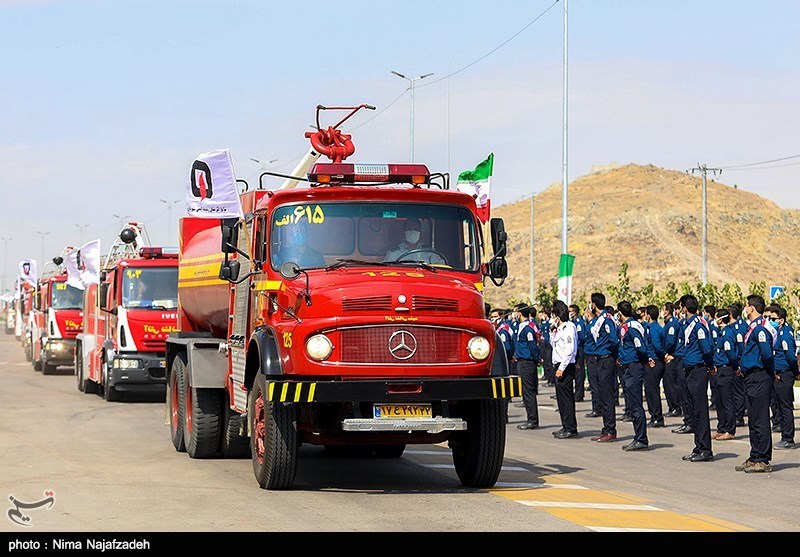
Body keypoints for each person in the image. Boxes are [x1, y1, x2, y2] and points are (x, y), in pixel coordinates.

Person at [735, 295, 775, 473]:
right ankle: (754, 455)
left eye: (746, 306)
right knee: (753, 418)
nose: (745, 309)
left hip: (759, 376)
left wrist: (766, 371)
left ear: (751, 308)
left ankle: (763, 459)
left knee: (760, 419)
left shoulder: (760, 330)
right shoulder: (752, 328)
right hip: (750, 377)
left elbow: (767, 354)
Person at [679, 295, 716, 463]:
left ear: (684, 307)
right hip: (689, 370)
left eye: (680, 306)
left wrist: (709, 365)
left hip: (698, 370)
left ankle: (705, 449)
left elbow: (706, 349)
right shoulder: (686, 324)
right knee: (693, 410)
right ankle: (698, 446)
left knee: (700, 411)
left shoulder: (699, 324)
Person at [616, 301, 650, 451]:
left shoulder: (632, 327)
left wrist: (643, 361)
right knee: (632, 403)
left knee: (635, 404)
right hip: (628, 367)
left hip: (634, 367)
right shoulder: (627, 326)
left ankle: (641, 438)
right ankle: (638, 437)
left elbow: (640, 347)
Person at [587, 293, 619, 443]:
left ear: (594, 304)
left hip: (606, 359)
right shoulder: (598, 320)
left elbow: (613, 339)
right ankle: (605, 428)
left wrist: (611, 354)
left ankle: (611, 430)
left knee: (607, 396)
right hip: (599, 359)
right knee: (601, 394)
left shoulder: (607, 319)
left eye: (590, 303)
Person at [767, 305, 798, 449]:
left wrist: (796, 372)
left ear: (781, 320)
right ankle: (785, 434)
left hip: (784, 374)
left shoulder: (785, 334)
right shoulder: (777, 332)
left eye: (773, 318)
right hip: (777, 374)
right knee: (780, 405)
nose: (770, 320)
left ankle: (788, 438)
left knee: (785, 407)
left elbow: (791, 357)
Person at [550, 301, 580, 439]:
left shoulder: (569, 327)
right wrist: (552, 332)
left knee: (566, 398)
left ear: (557, 315)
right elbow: (555, 345)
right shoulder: (560, 328)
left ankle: (571, 428)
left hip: (565, 366)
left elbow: (570, 349)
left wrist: (562, 368)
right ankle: (565, 425)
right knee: (561, 399)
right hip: (558, 365)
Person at [711, 308, 739, 441]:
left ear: (721, 319)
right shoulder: (720, 333)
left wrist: (735, 367)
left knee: (727, 401)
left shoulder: (727, 334)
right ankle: (721, 428)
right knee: (719, 401)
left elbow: (730, 354)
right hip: (718, 370)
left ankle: (730, 429)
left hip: (726, 369)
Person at [515, 305, 542, 430]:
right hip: (521, 361)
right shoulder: (521, 327)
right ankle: (530, 418)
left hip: (527, 362)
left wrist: (536, 359)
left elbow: (532, 346)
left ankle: (533, 420)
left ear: (520, 314)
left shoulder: (527, 328)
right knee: (525, 392)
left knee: (529, 392)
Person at [643, 305, 666, 428]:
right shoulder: (651, 327)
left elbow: (658, 345)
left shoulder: (654, 329)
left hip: (655, 362)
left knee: (653, 391)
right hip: (652, 360)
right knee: (649, 390)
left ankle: (657, 417)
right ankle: (654, 416)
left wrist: (663, 355)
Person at [728, 303, 748, 427]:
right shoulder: (731, 328)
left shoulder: (738, 329)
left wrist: (739, 364)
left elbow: (741, 348)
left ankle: (739, 416)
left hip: (738, 362)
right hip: (732, 363)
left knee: (738, 391)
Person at [661, 302, 682, 417]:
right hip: (668, 355)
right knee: (667, 383)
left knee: (671, 383)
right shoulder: (667, 324)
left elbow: (670, 341)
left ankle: (676, 407)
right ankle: (672, 406)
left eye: (664, 309)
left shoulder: (672, 324)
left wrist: (664, 352)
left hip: (672, 356)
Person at [582, 303, 603, 418]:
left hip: (593, 356)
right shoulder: (589, 324)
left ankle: (597, 408)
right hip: (590, 355)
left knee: (594, 383)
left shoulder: (593, 325)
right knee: (594, 383)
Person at [569, 304, 587, 402]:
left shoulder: (579, 322)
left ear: (574, 312)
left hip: (579, 349)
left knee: (579, 372)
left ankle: (579, 394)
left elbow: (581, 337)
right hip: (574, 349)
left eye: (570, 311)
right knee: (575, 372)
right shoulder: (572, 322)